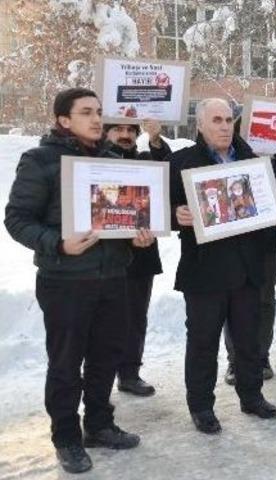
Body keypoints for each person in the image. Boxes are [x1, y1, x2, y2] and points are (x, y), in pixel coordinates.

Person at [5, 88, 154, 474]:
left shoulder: (113, 160)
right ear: (63, 120)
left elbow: (125, 215)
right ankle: (67, 437)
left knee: (106, 356)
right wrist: (58, 243)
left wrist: (141, 232)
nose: (96, 119)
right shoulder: (40, 161)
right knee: (66, 363)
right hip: (65, 280)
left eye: (99, 112)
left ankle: (99, 424)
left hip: (113, 277)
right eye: (86, 112)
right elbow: (17, 219)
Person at [170, 98, 276, 434]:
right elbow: (159, 209)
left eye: (229, 120)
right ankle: (202, 408)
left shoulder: (252, 162)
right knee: (203, 343)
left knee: (248, 341)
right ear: (201, 126)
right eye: (217, 120)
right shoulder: (182, 163)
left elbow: (269, 203)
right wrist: (175, 215)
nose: (224, 126)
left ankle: (252, 397)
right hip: (205, 272)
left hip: (247, 269)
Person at [223, 118, 276, 386]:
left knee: (265, 300)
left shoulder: (273, 159)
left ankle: (262, 356)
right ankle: (234, 360)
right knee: (233, 302)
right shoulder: (228, 158)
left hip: (265, 244)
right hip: (233, 244)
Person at [103, 120, 172, 397]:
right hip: (103, 258)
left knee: (135, 317)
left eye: (131, 130)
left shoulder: (146, 161)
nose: (125, 135)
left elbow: (170, 170)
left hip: (140, 255)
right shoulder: (92, 163)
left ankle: (129, 374)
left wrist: (155, 138)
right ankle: (100, 379)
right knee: (104, 320)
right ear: (106, 132)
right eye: (118, 129)